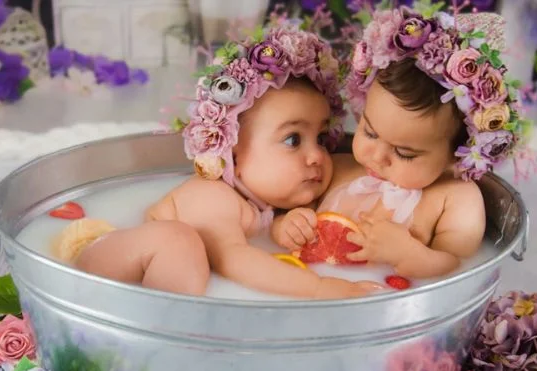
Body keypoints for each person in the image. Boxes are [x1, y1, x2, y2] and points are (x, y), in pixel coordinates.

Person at [51, 25, 385, 298]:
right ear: (232, 152)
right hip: (100, 269)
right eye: (292, 140)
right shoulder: (213, 196)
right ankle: (168, 330)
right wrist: (320, 288)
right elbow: (235, 260)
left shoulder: (262, 202)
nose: (317, 156)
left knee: (183, 248)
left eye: (321, 138)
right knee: (176, 240)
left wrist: (285, 226)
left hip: (153, 283)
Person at [272, 8, 535, 280]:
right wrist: (286, 226)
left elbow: (458, 267)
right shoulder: (337, 168)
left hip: (396, 298)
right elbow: (282, 210)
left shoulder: (457, 199)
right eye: (370, 132)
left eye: (403, 153)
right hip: (310, 284)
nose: (377, 157)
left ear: (458, 156)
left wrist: (408, 253)